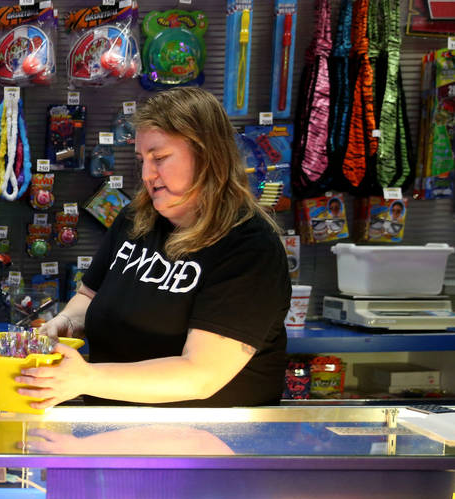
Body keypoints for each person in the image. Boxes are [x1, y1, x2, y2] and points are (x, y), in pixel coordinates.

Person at [21, 86, 290, 409]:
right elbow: (89, 295)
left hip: (209, 445)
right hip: (118, 433)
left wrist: (85, 378)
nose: (147, 175)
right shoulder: (137, 217)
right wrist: (65, 322)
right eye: (142, 160)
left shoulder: (249, 246)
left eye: (160, 158)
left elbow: (201, 374)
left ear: (207, 155)